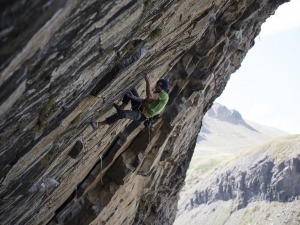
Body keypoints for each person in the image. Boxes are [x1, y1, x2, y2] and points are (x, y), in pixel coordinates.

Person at [91, 75, 169, 128]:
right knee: (131, 90)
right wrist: (133, 97)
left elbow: (150, 96)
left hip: (141, 115)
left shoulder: (164, 95)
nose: (156, 86)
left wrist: (148, 82)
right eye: (156, 84)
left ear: (162, 88)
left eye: (158, 85)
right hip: (140, 106)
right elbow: (143, 101)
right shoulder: (157, 94)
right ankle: (122, 106)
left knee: (121, 114)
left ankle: (98, 125)